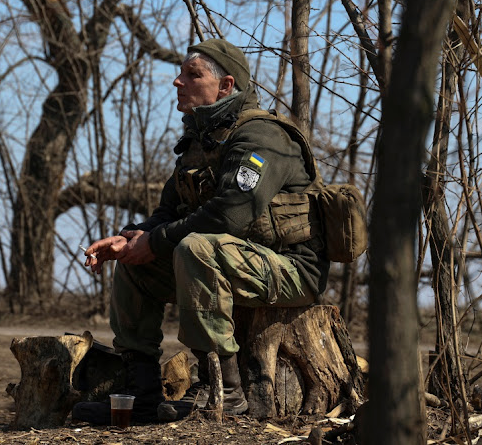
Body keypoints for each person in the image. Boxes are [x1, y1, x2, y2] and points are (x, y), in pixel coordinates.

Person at [71, 38, 330, 424]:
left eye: (192, 75)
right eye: (181, 73)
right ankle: (140, 394)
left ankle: (224, 391)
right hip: (230, 264)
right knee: (135, 260)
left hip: (290, 270)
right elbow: (167, 213)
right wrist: (131, 239)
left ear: (225, 86)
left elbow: (232, 215)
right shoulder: (200, 140)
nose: (178, 82)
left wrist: (156, 241)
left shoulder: (262, 137)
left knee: (193, 247)